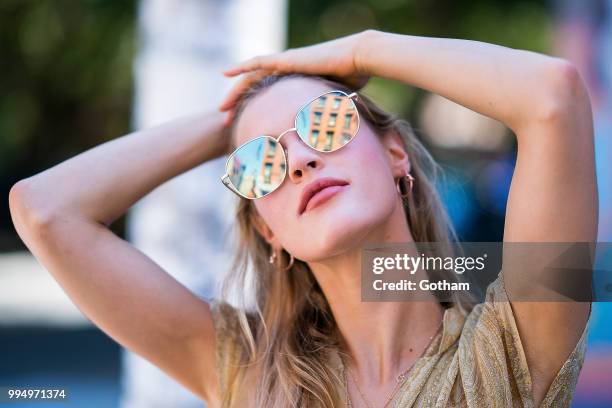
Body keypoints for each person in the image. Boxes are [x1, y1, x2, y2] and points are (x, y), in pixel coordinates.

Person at [8, 29, 597, 407]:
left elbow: (552, 94)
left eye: (324, 123)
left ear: (396, 156)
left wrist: (362, 50)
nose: (300, 161)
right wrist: (239, 115)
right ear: (270, 231)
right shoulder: (247, 374)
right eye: (263, 164)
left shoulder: (510, 346)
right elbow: (45, 209)